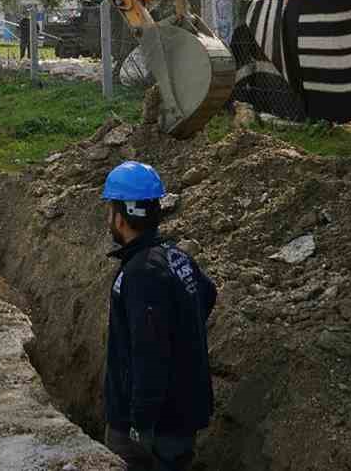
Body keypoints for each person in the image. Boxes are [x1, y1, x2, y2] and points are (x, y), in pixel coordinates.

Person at [101, 161, 217, 471]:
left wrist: (139, 423)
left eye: (110, 209)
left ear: (121, 217)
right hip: (180, 412)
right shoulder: (176, 255)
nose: (108, 217)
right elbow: (207, 294)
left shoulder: (142, 273)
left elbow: (148, 352)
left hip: (154, 423)